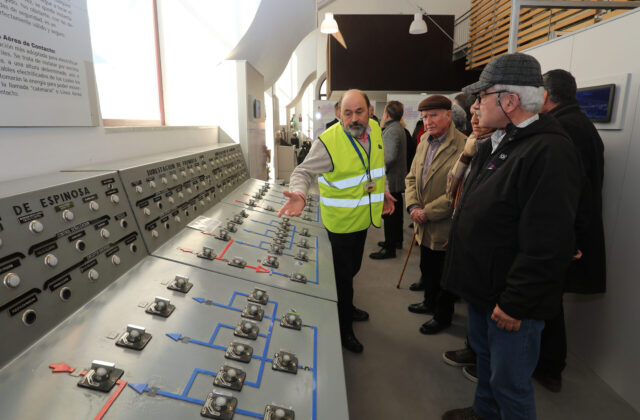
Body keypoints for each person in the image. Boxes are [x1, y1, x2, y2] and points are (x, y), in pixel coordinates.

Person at [441, 53, 581, 420]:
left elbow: (547, 240)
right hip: (485, 288)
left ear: (510, 101)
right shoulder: (503, 141)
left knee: (511, 385)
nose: (475, 104)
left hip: (512, 300)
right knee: (487, 365)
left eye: (482, 95)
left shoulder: (549, 150)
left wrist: (517, 301)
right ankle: (483, 413)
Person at [278, 89, 396, 353]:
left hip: (363, 219)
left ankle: (348, 307)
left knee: (352, 269)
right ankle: (344, 330)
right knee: (343, 278)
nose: (354, 118)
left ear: (370, 112)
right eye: (348, 113)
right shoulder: (329, 142)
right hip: (340, 224)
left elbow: (376, 168)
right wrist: (299, 193)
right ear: (338, 114)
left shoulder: (375, 130)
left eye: (359, 112)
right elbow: (303, 171)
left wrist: (383, 190)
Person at [533, 69, 606, 392]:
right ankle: (549, 364)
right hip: (570, 232)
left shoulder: (562, 129)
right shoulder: (581, 125)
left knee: (546, 302)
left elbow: (569, 192)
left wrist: (569, 237)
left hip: (562, 235)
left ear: (546, 96)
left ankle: (549, 367)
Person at [442, 107, 496, 383]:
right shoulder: (473, 147)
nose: (476, 119)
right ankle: (473, 349)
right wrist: (466, 155)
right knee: (474, 307)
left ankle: (483, 360)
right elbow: (452, 185)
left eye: (481, 111)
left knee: (486, 312)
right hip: (465, 233)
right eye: (473, 112)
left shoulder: (500, 150)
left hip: (487, 249)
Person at [405, 95, 466, 335]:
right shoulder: (423, 142)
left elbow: (457, 192)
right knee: (427, 266)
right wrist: (412, 207)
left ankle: (443, 316)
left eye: (433, 115)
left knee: (444, 273)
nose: (428, 121)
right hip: (422, 221)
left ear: (448, 115)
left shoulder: (464, 146)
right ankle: (429, 302)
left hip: (444, 224)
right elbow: (411, 178)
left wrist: (426, 212)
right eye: (424, 117)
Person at [370, 101, 407, 259]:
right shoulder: (399, 128)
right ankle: (395, 241)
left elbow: (389, 156)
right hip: (397, 178)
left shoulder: (391, 130)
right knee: (396, 213)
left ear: (387, 114)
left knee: (390, 214)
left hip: (391, 180)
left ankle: (389, 248)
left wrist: (378, 170)